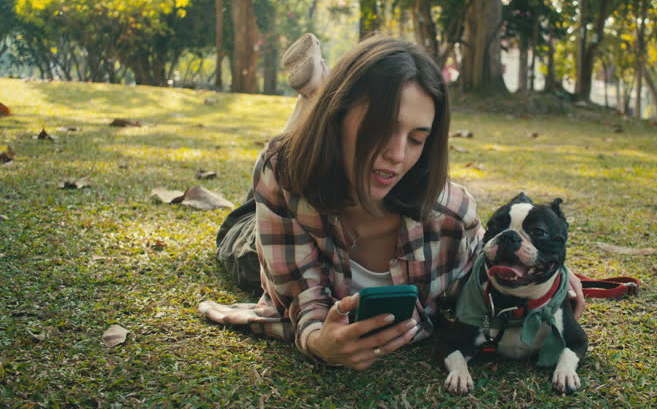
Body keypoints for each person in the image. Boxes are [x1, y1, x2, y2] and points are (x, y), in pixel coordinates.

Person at [198, 34, 586, 370]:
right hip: (278, 216)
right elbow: (302, 295)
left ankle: (317, 94)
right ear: (341, 115)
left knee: (295, 156)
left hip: (319, 166)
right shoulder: (280, 174)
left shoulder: (453, 215)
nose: (397, 155)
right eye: (381, 128)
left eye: (416, 138)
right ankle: (313, 106)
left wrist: (553, 280)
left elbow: (487, 265)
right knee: (239, 240)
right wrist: (319, 342)